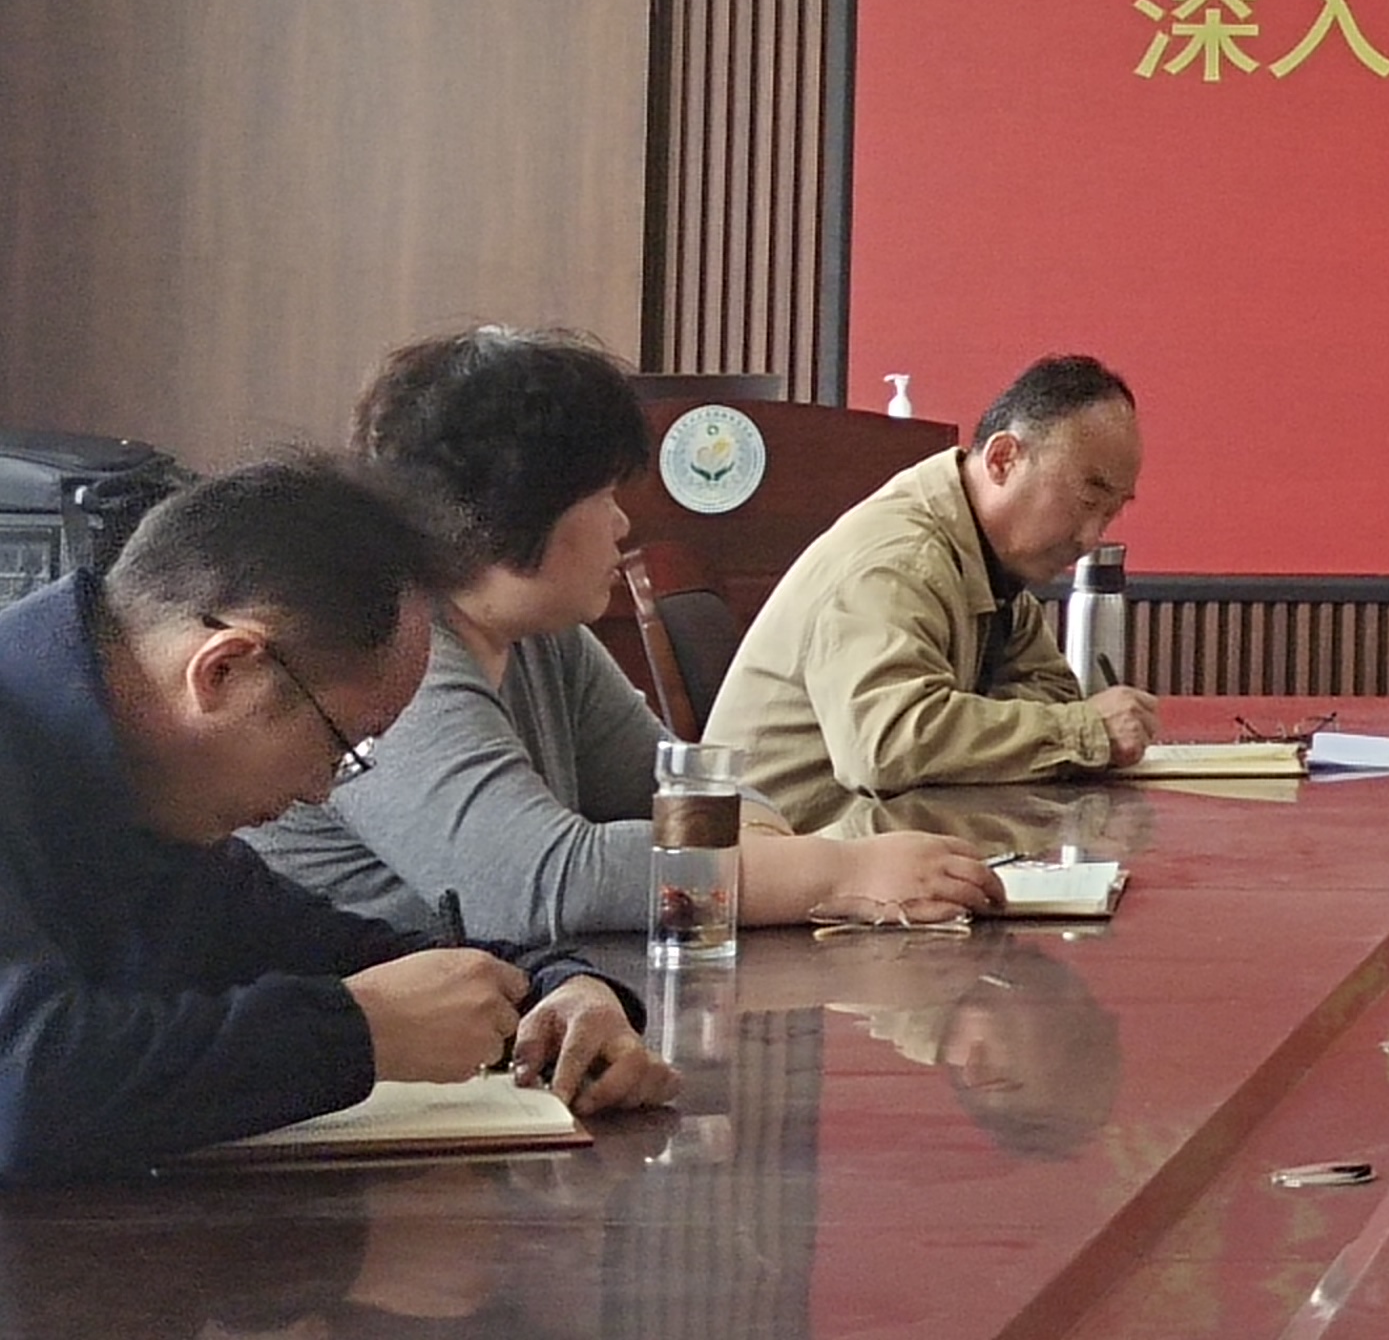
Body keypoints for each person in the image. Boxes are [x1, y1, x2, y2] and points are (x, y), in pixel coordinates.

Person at [0, 455, 672, 1186]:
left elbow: (341, 953)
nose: (322, 792)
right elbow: (23, 1089)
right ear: (223, 670)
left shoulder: (155, 793)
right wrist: (358, 1033)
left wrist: (563, 991)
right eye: (340, 745)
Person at [247, 328, 997, 942]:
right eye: (602, 495)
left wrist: (759, 853)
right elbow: (538, 882)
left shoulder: (540, 635)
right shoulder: (386, 651)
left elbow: (685, 788)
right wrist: (838, 874)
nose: (622, 522)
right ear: (513, 508)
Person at [708, 354, 1163, 830]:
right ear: (1003, 459)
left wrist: (965, 725)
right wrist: (1084, 731)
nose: (1091, 537)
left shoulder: (991, 560)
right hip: (773, 862)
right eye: (1087, 500)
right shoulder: (900, 560)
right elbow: (887, 745)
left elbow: (1054, 690)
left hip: (877, 846)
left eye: (1111, 513)